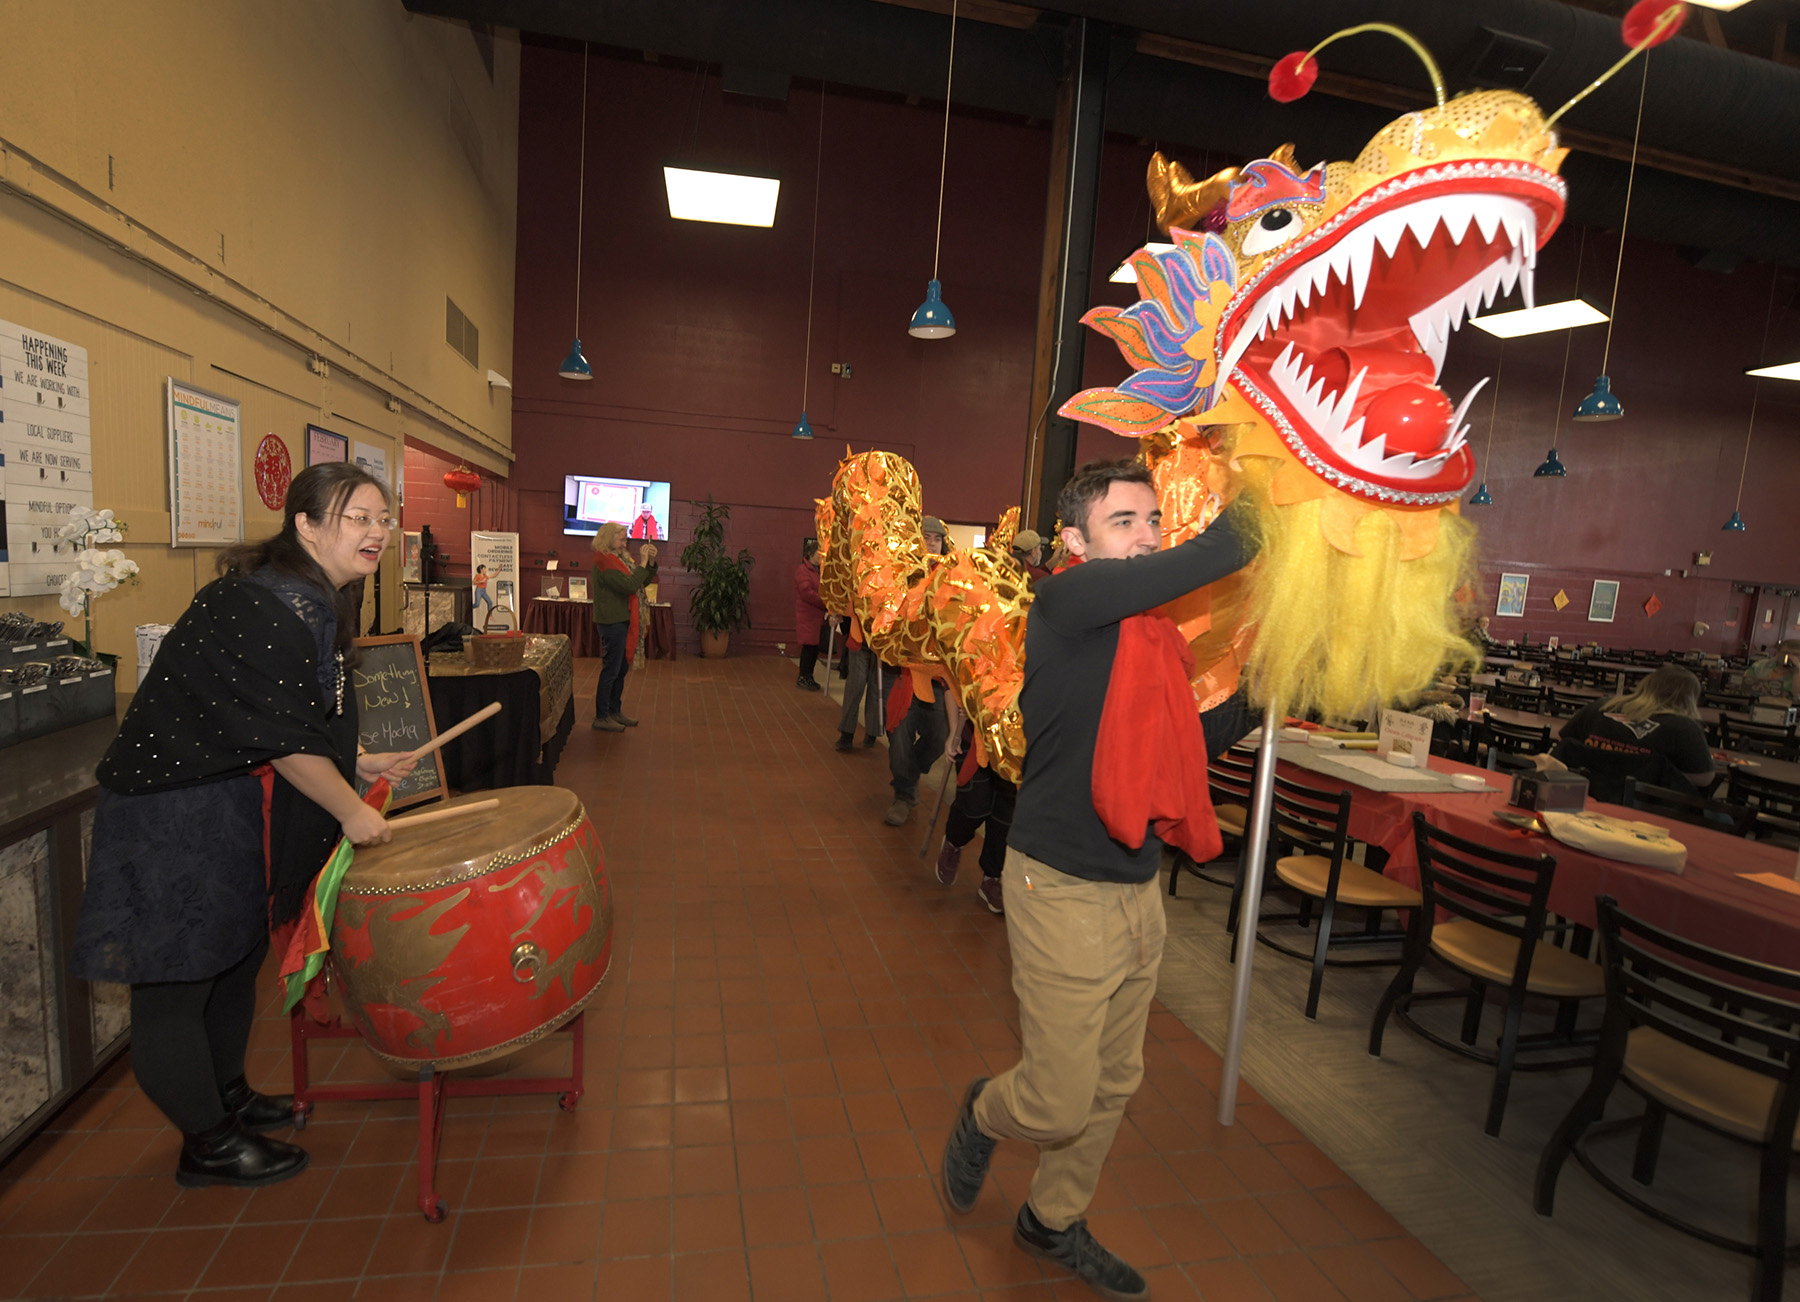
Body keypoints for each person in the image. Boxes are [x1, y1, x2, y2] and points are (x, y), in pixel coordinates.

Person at [939, 457, 1254, 1299]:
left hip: (1136, 886)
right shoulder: (1069, 601)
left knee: (1115, 1080)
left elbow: (1188, 741)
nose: (1147, 536)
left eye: (1154, 520)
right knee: (1054, 1101)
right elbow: (1221, 550)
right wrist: (1292, 484)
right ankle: (984, 1111)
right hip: (1060, 887)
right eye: (1125, 522)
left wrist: (1271, 692)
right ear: (1075, 543)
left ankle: (1052, 1218)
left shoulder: (1151, 638)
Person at [71, 463, 417, 1189]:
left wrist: (359, 762)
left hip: (225, 802)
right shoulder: (269, 604)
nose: (377, 532)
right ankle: (207, 1143)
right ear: (307, 524)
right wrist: (352, 811)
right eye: (358, 517)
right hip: (169, 814)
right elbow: (284, 741)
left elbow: (282, 716)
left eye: (383, 519)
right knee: (175, 981)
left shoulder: (307, 594)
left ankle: (226, 1095)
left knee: (231, 961)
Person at [1549, 663, 1715, 803]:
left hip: (1579, 798)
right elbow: (1705, 778)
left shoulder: (1600, 707)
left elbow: (1565, 745)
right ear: (1690, 698)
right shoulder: (1685, 728)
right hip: (1645, 810)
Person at [883, 516, 951, 825]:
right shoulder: (901, 573)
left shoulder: (953, 577)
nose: (931, 543)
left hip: (938, 677)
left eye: (937, 539)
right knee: (899, 735)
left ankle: (907, 777)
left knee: (939, 737)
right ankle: (903, 795)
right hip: (905, 673)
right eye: (926, 537)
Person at [935, 698, 1014, 916]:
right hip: (974, 738)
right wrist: (953, 731)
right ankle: (954, 841)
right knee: (974, 806)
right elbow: (951, 684)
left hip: (1013, 746)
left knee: (1005, 817)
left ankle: (991, 877)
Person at [591, 522, 656, 732]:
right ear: (608, 539)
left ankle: (614, 711)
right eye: (621, 539)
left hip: (623, 620)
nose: (625, 543)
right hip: (612, 622)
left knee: (620, 669)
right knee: (611, 670)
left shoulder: (620, 560)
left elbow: (640, 582)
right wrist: (643, 562)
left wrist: (650, 562)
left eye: (625, 539)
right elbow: (629, 585)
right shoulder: (604, 561)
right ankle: (602, 716)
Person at [794, 537, 832, 692]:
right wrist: (825, 602)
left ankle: (809, 676)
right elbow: (807, 593)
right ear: (810, 554)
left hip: (816, 616)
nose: (820, 557)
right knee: (809, 648)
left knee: (814, 648)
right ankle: (803, 676)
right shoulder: (803, 570)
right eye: (818, 554)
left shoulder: (819, 570)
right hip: (808, 615)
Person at [836, 636, 883, 750]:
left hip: (882, 643)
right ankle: (847, 732)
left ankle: (872, 731)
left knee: (876, 688)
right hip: (860, 640)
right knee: (855, 685)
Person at [473, 563, 494, 628]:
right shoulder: (477, 575)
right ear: (481, 570)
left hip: (484, 591)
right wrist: (481, 581)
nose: (485, 570)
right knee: (477, 604)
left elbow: (493, 576)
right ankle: (469, 607)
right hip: (479, 590)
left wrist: (498, 570)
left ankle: (490, 614)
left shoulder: (485, 576)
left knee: (490, 602)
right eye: (484, 568)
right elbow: (473, 582)